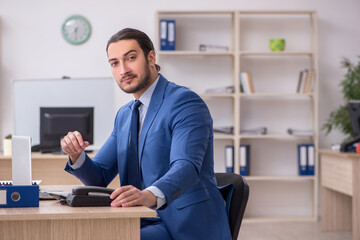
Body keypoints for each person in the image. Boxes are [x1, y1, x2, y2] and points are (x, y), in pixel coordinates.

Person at [61, 28, 231, 240]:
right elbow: (99, 177)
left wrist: (149, 195)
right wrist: (76, 156)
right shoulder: (124, 116)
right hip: (139, 217)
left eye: (130, 58)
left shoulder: (185, 102)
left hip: (183, 224)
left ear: (151, 58)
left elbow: (186, 167)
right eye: (114, 63)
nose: (123, 69)